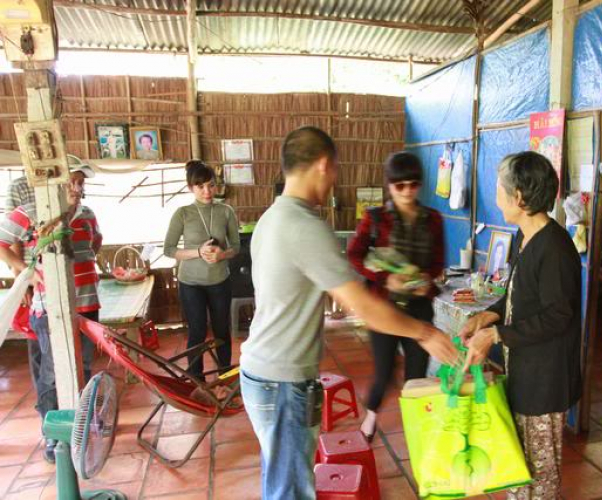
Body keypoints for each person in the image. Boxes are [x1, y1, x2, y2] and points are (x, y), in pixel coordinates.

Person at [239, 126, 458, 500]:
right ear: (324, 165)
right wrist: (424, 332)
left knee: (281, 480)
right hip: (283, 380)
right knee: (290, 490)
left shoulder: (271, 218)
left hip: (264, 372)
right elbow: (363, 306)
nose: (336, 179)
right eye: (336, 169)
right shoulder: (305, 226)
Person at [459, 151, 582, 500]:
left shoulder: (555, 249)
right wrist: (489, 315)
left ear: (519, 198)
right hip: (525, 372)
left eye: (500, 189)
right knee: (518, 463)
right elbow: (518, 297)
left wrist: (496, 334)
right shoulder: (524, 238)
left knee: (539, 475)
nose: (495, 196)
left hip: (546, 380)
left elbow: (558, 315)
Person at [0, 156, 102, 463]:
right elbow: (3, 242)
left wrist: (84, 264)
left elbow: (97, 240)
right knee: (52, 373)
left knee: (82, 367)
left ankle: (82, 426)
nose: (76, 187)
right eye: (70, 181)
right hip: (49, 308)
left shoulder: (86, 214)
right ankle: (53, 434)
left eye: (80, 182)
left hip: (86, 303)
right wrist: (25, 271)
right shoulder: (30, 213)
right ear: (54, 183)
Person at [347, 151, 445, 441]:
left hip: (419, 307)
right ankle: (371, 417)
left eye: (413, 184)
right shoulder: (375, 218)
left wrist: (425, 281)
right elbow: (354, 255)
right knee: (384, 371)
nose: (407, 191)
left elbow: (438, 261)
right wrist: (385, 278)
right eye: (399, 185)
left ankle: (417, 429)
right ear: (389, 185)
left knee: (417, 375)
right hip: (384, 309)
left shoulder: (434, 219)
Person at [164, 160, 240, 380]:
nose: (207, 191)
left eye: (211, 185)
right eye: (200, 186)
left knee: (221, 331)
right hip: (191, 283)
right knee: (197, 331)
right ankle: (196, 379)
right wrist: (198, 252)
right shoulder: (183, 213)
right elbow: (169, 249)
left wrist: (222, 255)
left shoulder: (226, 211)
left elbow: (236, 246)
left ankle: (224, 375)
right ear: (191, 188)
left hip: (219, 281)